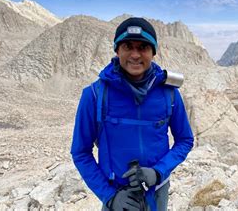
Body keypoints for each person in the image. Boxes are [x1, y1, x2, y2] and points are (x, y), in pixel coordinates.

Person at [71, 17, 194, 211]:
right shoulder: (94, 95)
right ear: (117, 50)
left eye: (143, 47)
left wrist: (158, 172)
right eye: (128, 46)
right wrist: (109, 197)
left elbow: (185, 140)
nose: (135, 55)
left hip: (156, 193)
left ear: (153, 52)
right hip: (116, 197)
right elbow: (80, 152)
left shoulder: (169, 93)